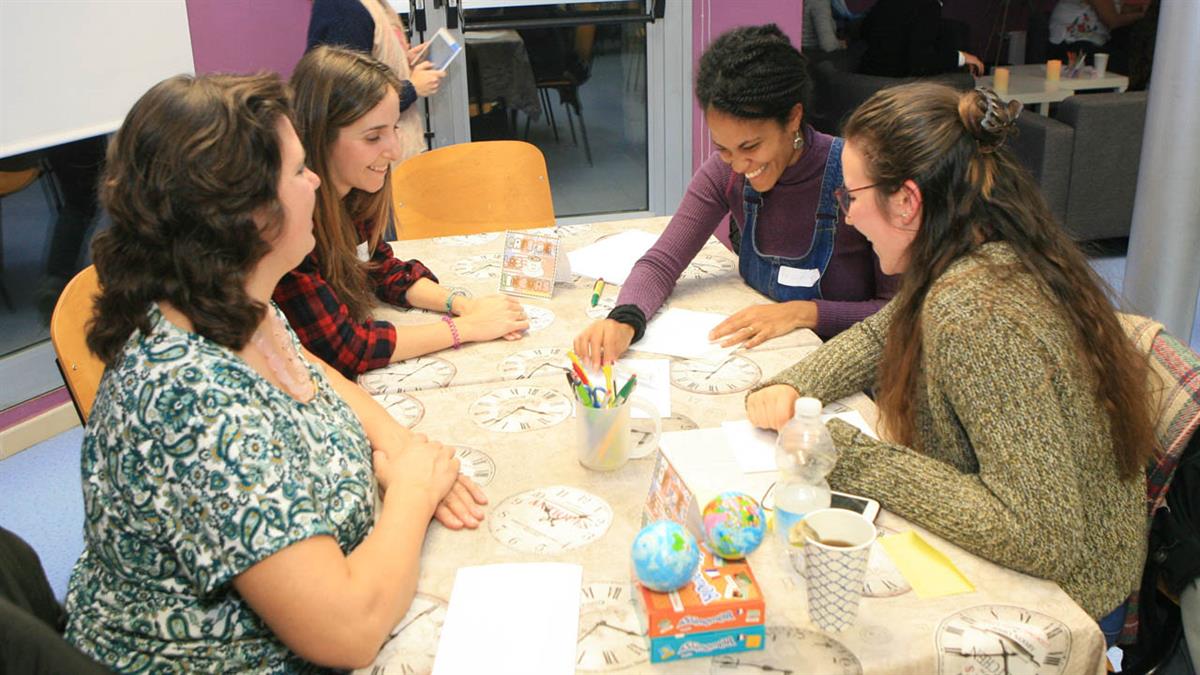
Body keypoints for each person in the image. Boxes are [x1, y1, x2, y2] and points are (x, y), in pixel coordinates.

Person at [63, 72, 487, 672]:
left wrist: (398, 442)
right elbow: (348, 630)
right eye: (296, 170)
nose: (315, 178)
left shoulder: (227, 300)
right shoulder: (193, 401)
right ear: (244, 214)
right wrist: (414, 491)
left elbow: (307, 366)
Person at [745, 83, 1153, 642]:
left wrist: (848, 455)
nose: (849, 216)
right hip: (1070, 564)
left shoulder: (974, 312)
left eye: (851, 198)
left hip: (1065, 607)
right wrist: (798, 382)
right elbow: (880, 335)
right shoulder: (979, 243)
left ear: (908, 200)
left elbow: (1039, 535)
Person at [573, 24, 897, 370]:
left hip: (850, 368)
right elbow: (662, 262)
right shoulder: (724, 173)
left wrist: (806, 313)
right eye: (723, 149)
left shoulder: (859, 179)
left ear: (793, 117)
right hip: (765, 362)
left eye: (751, 146)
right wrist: (624, 320)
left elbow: (901, 314)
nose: (740, 166)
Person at [276, 46, 528, 379]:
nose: (394, 150)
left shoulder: (352, 195)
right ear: (321, 136)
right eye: (372, 137)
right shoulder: (290, 229)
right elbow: (345, 349)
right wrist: (467, 328)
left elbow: (379, 267)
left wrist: (461, 304)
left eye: (393, 128)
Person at [308, 0, 444, 163]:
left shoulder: (376, 6)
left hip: (393, 155)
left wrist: (403, 60)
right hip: (375, 162)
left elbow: (370, 64)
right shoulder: (343, 8)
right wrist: (412, 88)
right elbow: (346, 98)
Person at [857, 0, 984, 77]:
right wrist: (962, 58)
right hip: (893, 88)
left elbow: (864, 29)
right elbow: (921, 63)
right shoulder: (928, 5)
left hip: (865, 78)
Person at [1047, 0, 1148, 73]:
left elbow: (1122, 9)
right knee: (1125, 64)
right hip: (1072, 43)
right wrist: (1145, 15)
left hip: (1093, 41)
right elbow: (1112, 20)